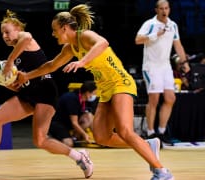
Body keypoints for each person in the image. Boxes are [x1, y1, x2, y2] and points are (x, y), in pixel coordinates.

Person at [15, 3, 174, 179]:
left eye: (55, 30)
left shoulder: (85, 35)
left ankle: (162, 171)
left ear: (65, 28)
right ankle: (148, 145)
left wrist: (82, 62)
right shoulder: (70, 48)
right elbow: (51, 65)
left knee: (125, 131)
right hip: (106, 90)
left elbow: (103, 43)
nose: (53, 34)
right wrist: (27, 76)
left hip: (120, 83)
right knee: (101, 137)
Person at [0, 9, 93, 179]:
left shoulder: (25, 39)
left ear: (18, 30)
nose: (5, 36)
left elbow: (26, 38)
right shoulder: (13, 58)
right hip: (29, 94)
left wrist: (9, 62)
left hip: (46, 92)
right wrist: (3, 80)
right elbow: (19, 86)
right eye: (2, 33)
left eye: (7, 31)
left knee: (40, 140)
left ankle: (80, 157)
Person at [135, 0, 187, 146]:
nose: (164, 11)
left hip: (165, 66)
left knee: (170, 98)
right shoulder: (149, 24)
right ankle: (150, 133)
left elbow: (178, 45)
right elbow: (138, 40)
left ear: (169, 9)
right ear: (156, 10)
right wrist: (154, 35)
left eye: (166, 8)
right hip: (151, 66)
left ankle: (161, 132)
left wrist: (184, 63)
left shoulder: (173, 25)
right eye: (161, 8)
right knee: (154, 99)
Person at [49, 80, 97, 147]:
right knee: (68, 144)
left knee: (89, 116)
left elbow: (90, 118)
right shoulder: (72, 99)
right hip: (58, 124)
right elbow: (74, 123)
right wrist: (84, 134)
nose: (95, 95)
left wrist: (97, 137)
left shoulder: (85, 100)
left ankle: (75, 137)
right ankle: (49, 140)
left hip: (69, 123)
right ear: (87, 92)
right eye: (94, 93)